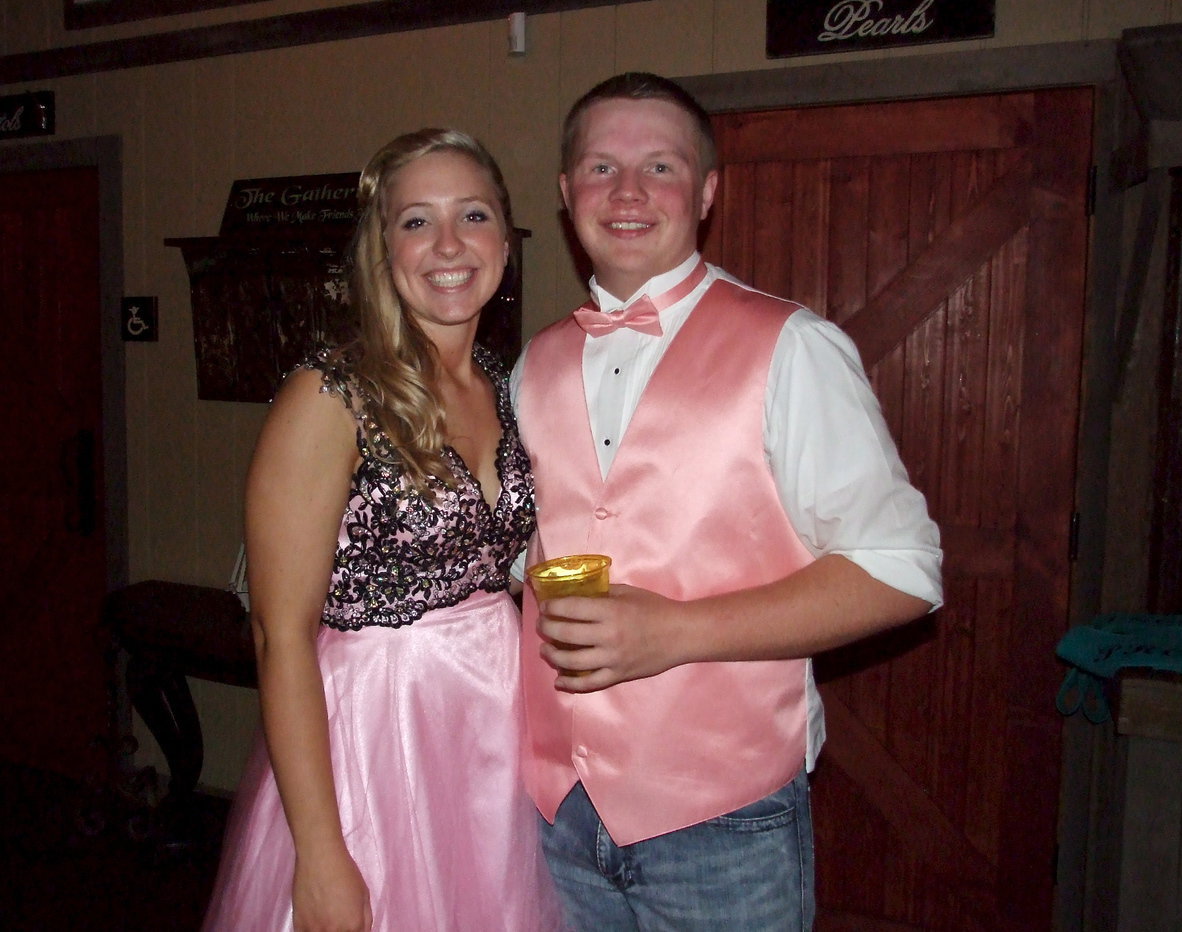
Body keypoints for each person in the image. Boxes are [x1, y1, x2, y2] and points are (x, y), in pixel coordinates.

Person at [510, 73, 943, 930]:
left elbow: (904, 571)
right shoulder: (532, 365)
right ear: (566, 196)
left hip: (724, 825)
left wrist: (675, 631)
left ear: (707, 192)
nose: (627, 192)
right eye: (601, 167)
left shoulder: (795, 348)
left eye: (660, 167)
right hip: (554, 813)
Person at [203, 129, 562, 931]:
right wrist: (322, 855)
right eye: (415, 221)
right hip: (376, 736)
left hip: (494, 726)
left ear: (505, 237)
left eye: (472, 215)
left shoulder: (508, 386)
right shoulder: (327, 394)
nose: (447, 245)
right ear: (380, 249)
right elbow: (278, 636)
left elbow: (510, 566)